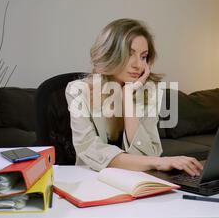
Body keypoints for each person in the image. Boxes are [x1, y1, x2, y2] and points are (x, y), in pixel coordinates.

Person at [65, 18, 202, 176]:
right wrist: (159, 162)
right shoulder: (77, 91)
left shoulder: (148, 93)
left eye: (143, 57)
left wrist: (128, 97)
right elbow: (91, 150)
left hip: (135, 184)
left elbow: (147, 155)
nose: (138, 65)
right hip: (92, 181)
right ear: (111, 54)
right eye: (130, 55)